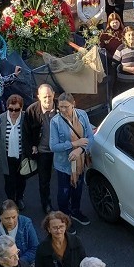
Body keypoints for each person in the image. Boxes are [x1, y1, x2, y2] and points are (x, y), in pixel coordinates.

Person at [50, 93, 95, 225]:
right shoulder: (56, 121)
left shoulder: (82, 115)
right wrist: (74, 144)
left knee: (78, 189)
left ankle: (75, 211)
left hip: (79, 162)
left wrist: (80, 150)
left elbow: (90, 138)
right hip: (64, 164)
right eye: (60, 107)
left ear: (73, 104)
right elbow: (53, 146)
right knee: (64, 193)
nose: (63, 110)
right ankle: (63, 218)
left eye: (66, 107)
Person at [0, 94, 34, 207]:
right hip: (6, 157)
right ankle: (11, 201)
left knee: (21, 180)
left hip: (22, 156)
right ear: (7, 107)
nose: (13, 112)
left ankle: (19, 198)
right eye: (11, 109)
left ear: (22, 108)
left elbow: (33, 134)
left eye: (17, 109)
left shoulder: (26, 118)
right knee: (9, 181)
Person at [27, 85, 58, 214]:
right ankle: (46, 204)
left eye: (49, 96)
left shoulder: (61, 107)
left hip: (60, 150)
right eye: (44, 97)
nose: (47, 100)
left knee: (65, 178)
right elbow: (27, 132)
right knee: (44, 181)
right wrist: (32, 146)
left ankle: (66, 205)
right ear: (38, 97)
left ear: (54, 95)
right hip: (44, 152)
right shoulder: (32, 110)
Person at [0, 199, 38, 267]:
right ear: (0, 215)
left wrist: (18, 263)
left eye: (14, 217)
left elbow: (34, 248)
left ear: (18, 214)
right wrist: (4, 265)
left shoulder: (26, 224)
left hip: (24, 265)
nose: (11, 221)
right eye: (7, 218)